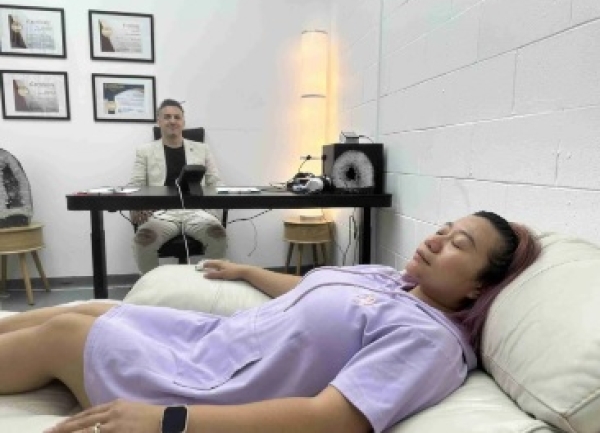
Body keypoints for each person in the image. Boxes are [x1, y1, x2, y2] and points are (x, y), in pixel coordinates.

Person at [0, 211, 540, 433]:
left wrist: (170, 420)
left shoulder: (428, 340)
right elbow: (313, 292)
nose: (436, 240)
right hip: (209, 341)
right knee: (88, 308)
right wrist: (247, 271)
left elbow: (332, 419)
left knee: (65, 334)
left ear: (478, 287)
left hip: (206, 385)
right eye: (442, 229)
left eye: (458, 244)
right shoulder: (390, 280)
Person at [129, 99, 227, 274]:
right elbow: (135, 184)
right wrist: (137, 206)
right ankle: (153, 286)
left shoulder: (202, 149)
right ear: (159, 121)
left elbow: (215, 182)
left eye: (177, 117)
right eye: (167, 117)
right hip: (160, 214)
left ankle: (208, 284)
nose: (172, 121)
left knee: (218, 235)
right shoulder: (144, 151)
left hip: (197, 213)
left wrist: (214, 209)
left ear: (183, 121)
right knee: (143, 240)